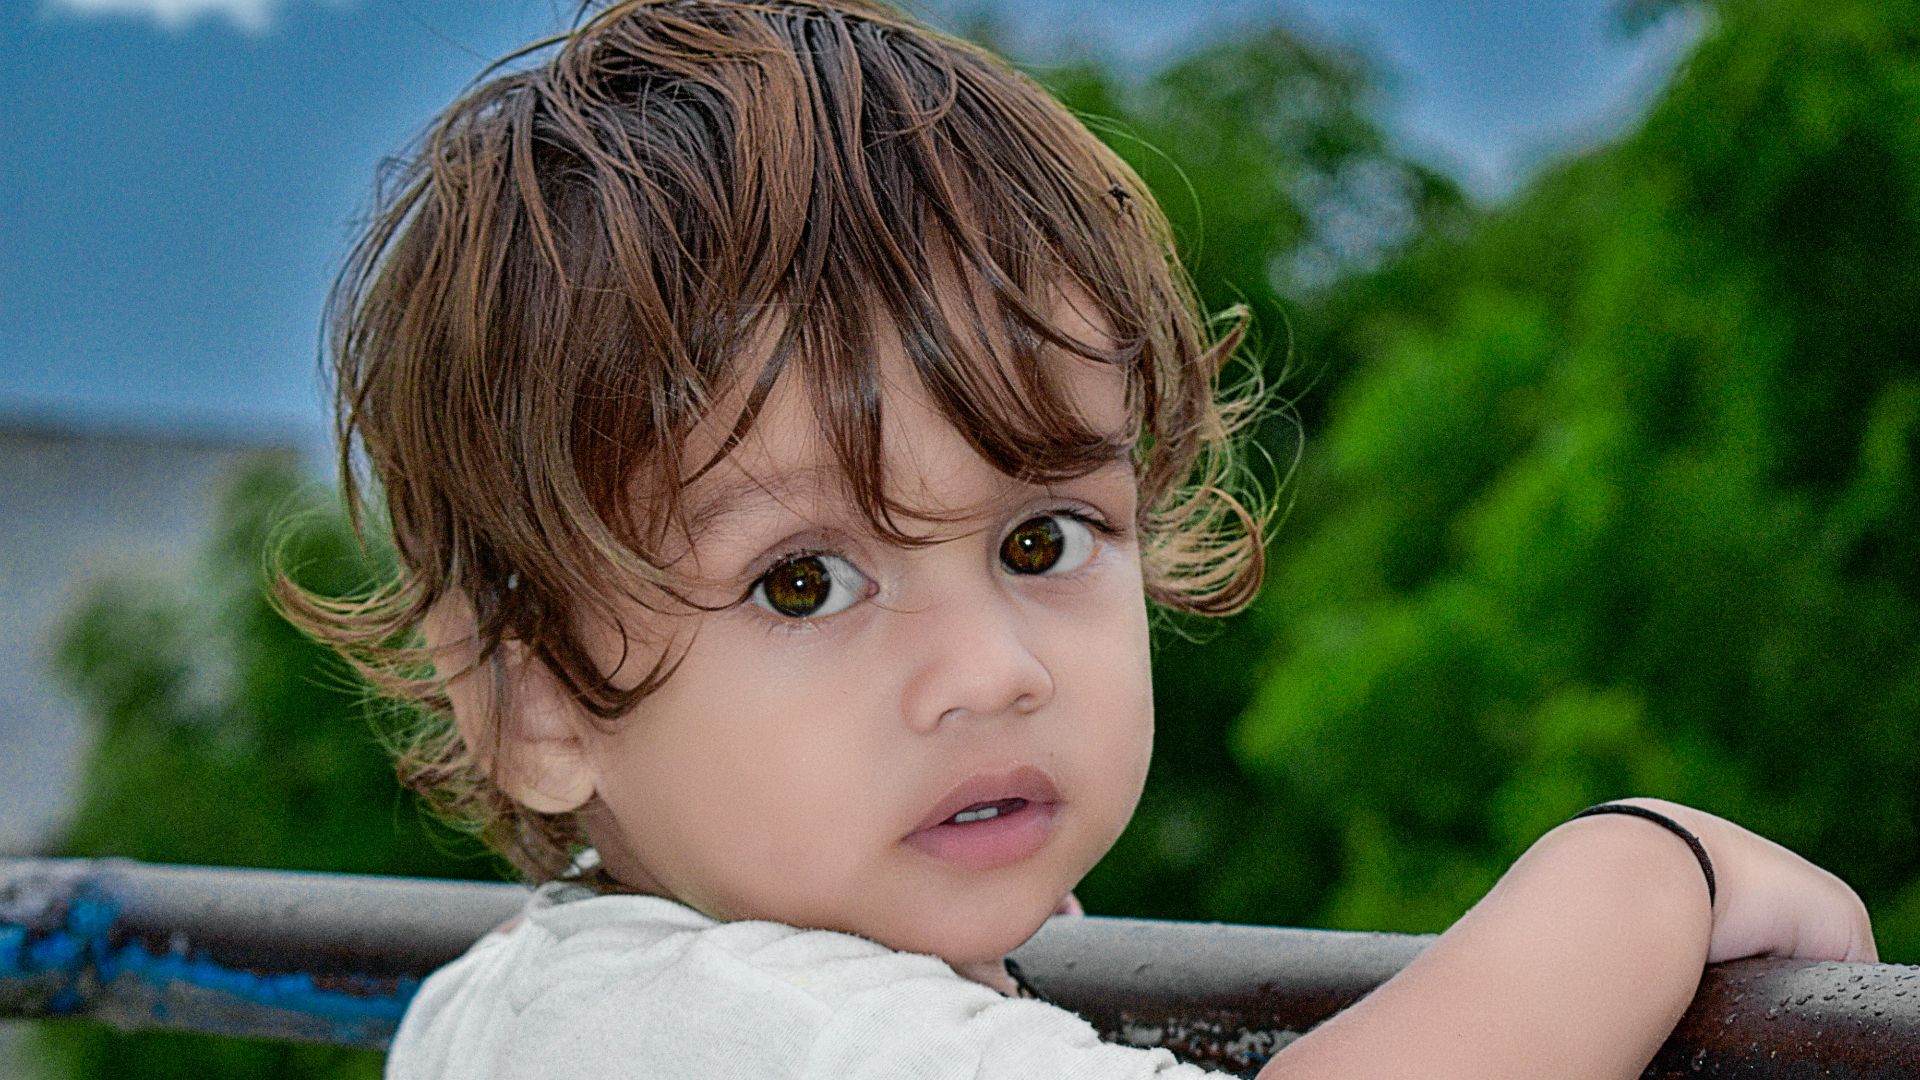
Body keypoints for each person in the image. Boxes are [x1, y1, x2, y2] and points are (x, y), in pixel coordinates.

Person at [283, 1, 1877, 1076]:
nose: (987, 673)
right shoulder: (751, 1030)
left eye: (1042, 543)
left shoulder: (509, 1007)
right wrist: (1638, 875)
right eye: (805, 581)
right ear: (532, 696)